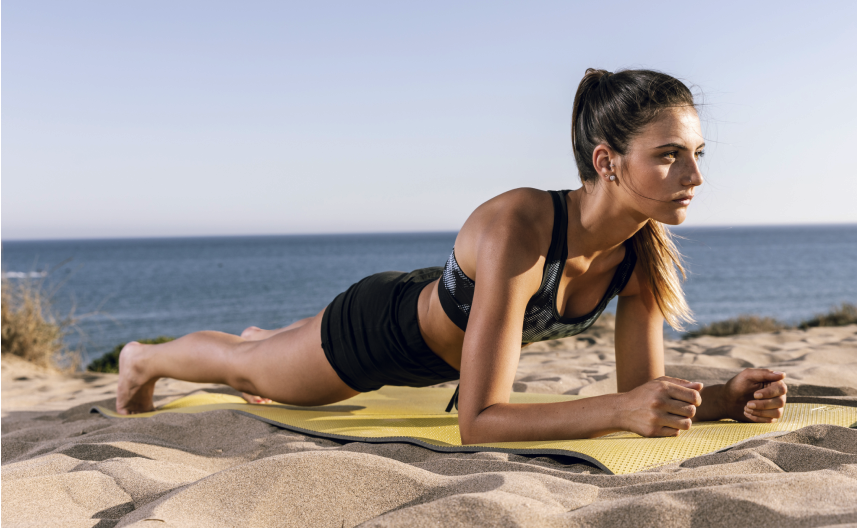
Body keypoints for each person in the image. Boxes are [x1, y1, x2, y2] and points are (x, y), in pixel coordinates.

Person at [116, 68, 788, 444]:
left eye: (697, 154)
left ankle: (271, 339)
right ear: (607, 161)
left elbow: (639, 393)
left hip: (429, 300)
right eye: (669, 155)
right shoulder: (522, 224)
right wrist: (618, 411)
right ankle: (142, 359)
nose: (695, 176)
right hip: (378, 337)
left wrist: (724, 400)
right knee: (244, 366)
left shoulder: (641, 255)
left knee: (265, 352)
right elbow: (481, 422)